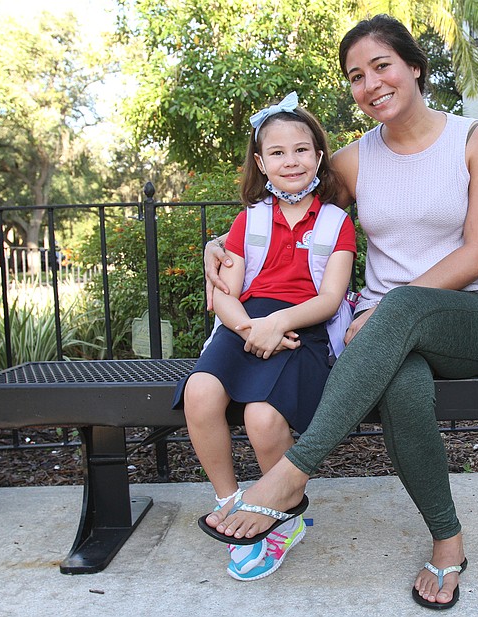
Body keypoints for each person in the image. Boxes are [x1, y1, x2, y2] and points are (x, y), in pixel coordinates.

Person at [202, 14, 478, 609]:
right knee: (402, 388)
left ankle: (291, 473)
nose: (369, 84)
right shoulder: (350, 161)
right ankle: (448, 541)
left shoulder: (477, 140)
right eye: (355, 76)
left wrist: (397, 304)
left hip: (468, 318)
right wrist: (222, 243)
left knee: (398, 309)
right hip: (383, 335)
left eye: (381, 66)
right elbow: (288, 211)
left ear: (414, 67)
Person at [174, 92, 356, 582]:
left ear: (319, 155)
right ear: (261, 162)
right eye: (276, 153)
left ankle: (282, 516)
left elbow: (331, 297)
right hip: (245, 324)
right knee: (200, 390)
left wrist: (280, 325)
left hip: (306, 329)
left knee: (262, 415)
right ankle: (232, 500)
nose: (290, 161)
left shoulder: (336, 223)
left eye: (301, 150)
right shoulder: (249, 220)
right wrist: (251, 327)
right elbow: (224, 294)